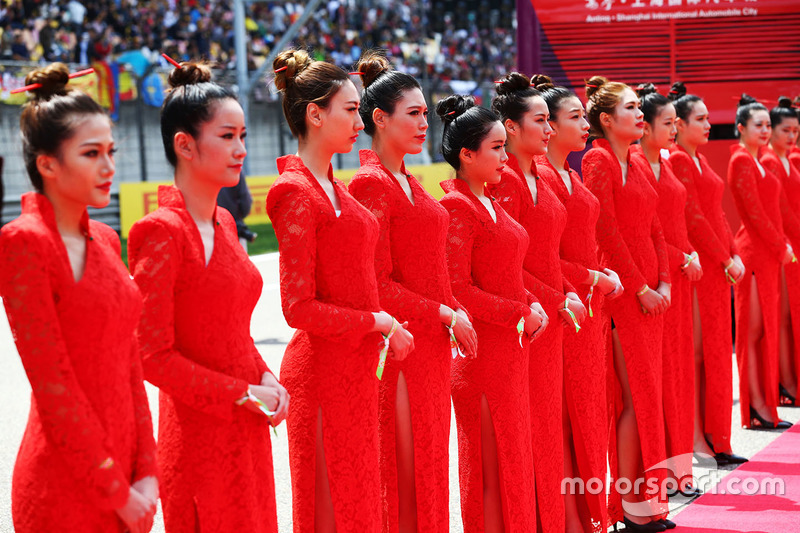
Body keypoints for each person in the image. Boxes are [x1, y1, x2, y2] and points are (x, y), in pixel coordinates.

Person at [128, 61, 288, 533]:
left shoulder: (222, 222)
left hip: (249, 424)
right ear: (185, 145)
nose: (241, 149)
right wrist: (242, 392)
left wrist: (264, 374)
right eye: (227, 136)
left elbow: (231, 329)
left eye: (242, 135)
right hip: (200, 435)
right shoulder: (160, 232)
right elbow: (151, 356)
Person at [0, 63, 158, 533]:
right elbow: (54, 386)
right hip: (64, 485)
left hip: (129, 480)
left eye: (111, 151)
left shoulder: (108, 240)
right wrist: (114, 489)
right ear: (47, 163)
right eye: (92, 153)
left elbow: (131, 360)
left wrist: (147, 469)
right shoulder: (24, 242)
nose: (109, 166)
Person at [266, 49, 414, 532]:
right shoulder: (294, 191)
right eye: (349, 110)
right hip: (323, 373)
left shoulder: (337, 188)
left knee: (362, 505)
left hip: (355, 368)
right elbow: (298, 307)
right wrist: (379, 321)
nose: (358, 120)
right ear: (315, 113)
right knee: (334, 509)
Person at [348, 51, 477, 533]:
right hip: (402, 346)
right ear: (379, 119)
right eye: (414, 113)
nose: (425, 122)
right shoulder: (370, 184)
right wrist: (446, 312)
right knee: (404, 471)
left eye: (426, 113)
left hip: (433, 346)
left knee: (428, 465)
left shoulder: (408, 181)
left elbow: (433, 269)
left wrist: (453, 310)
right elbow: (376, 284)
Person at [438, 94, 543, 532]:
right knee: (485, 464)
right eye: (497, 148)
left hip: (511, 351)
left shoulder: (492, 203)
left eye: (505, 146)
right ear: (467, 154)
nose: (505, 155)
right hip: (480, 355)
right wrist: (520, 313)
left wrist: (532, 301)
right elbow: (458, 288)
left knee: (514, 459)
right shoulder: (455, 208)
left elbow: (508, 273)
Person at [488, 71, 586, 533]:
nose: (549, 131)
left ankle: (556, 519)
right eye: (541, 121)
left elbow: (550, 257)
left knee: (548, 431)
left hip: (553, 318)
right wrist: (558, 297)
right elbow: (509, 266)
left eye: (551, 121)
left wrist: (565, 292)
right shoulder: (504, 181)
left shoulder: (540, 179)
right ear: (510, 127)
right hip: (527, 321)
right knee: (528, 435)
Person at [583, 76, 672, 532]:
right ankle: (629, 506)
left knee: (647, 398)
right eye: (632, 108)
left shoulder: (636, 160)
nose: (641, 115)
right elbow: (607, 232)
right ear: (606, 119)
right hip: (621, 296)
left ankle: (650, 504)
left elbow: (654, 226)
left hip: (651, 292)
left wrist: (664, 281)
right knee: (633, 400)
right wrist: (640, 288)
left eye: (640, 108)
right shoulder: (597, 159)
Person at [536, 77, 623, 532]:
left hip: (590, 309)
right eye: (575, 116)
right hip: (566, 308)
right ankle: (572, 516)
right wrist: (594, 277)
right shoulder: (542, 179)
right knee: (565, 418)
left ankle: (587, 513)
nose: (585, 122)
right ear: (545, 124)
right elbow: (541, 258)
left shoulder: (568, 174)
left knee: (589, 413)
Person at [668, 82, 747, 464]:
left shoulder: (698, 159)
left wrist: (731, 252)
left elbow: (715, 214)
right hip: (699, 268)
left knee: (714, 355)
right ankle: (698, 439)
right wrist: (723, 256)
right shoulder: (678, 160)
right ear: (678, 125)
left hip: (716, 268)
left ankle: (715, 436)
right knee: (698, 355)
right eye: (699, 119)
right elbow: (694, 219)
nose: (708, 124)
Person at [632, 83, 701, 494]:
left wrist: (685, 256)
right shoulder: (637, 163)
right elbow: (644, 230)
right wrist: (678, 259)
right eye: (668, 123)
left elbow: (673, 223)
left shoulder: (667, 163)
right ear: (645, 127)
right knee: (658, 379)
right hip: (658, 281)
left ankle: (681, 465)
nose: (673, 130)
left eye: (677, 122)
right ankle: (662, 472)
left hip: (675, 279)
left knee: (677, 373)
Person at [728, 94, 793, 431]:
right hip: (753, 253)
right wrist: (780, 244)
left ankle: (764, 403)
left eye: (769, 125)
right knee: (752, 333)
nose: (766, 131)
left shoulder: (759, 160)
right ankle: (754, 406)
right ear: (740, 128)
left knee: (763, 331)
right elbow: (752, 213)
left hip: (768, 254)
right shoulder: (740, 160)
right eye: (759, 125)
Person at [760, 97, 800, 407]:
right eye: (785, 130)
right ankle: (785, 382)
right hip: (784, 244)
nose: (791, 136)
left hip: (792, 242)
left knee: (790, 316)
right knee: (783, 316)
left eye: (795, 131)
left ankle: (789, 382)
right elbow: (782, 211)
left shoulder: (785, 159)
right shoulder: (771, 160)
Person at [217, 171, 257, 251]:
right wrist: (240, 217)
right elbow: (245, 200)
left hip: (212, 227)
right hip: (235, 225)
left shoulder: (203, 170)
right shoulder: (235, 169)